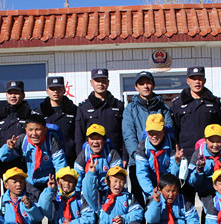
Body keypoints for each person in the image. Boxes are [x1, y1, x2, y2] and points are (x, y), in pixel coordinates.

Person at [122, 71, 173, 199]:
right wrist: (137, 155)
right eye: (141, 83)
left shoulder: (163, 108)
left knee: (163, 199)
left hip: (161, 162)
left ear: (153, 85)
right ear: (136, 87)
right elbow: (129, 134)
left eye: (148, 83)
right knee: (139, 199)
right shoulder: (130, 109)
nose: (145, 86)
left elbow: (169, 131)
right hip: (138, 162)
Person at [0, 113, 67, 196]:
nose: (34, 134)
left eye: (38, 129)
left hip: (49, 182)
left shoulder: (51, 141)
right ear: (26, 130)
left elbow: (60, 165)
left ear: (45, 130)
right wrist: (8, 148)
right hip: (31, 184)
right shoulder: (23, 140)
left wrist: (61, 187)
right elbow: (3, 157)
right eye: (30, 130)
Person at [170, 66, 221, 157]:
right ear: (187, 81)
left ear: (204, 80)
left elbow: (219, 126)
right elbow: (175, 130)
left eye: (200, 78)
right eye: (193, 79)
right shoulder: (178, 104)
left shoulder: (214, 102)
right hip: (186, 153)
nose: (197, 82)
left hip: (209, 152)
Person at [75, 69, 125, 159]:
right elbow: (79, 136)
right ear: (91, 82)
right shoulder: (83, 107)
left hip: (115, 156)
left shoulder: (118, 106)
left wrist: (125, 156)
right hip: (91, 157)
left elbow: (124, 133)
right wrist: (81, 158)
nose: (100, 84)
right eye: (97, 81)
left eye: (103, 81)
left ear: (108, 82)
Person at [134, 114, 181, 200]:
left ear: (164, 131)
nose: (154, 136)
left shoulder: (172, 144)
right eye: (151, 132)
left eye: (157, 132)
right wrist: (151, 193)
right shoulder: (142, 146)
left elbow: (172, 174)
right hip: (150, 184)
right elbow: (142, 173)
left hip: (167, 184)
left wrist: (176, 162)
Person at [187, 124, 221, 201]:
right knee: (211, 207)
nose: (215, 145)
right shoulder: (199, 153)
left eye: (219, 141)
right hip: (206, 192)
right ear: (205, 140)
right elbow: (192, 182)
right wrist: (199, 170)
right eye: (212, 141)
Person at [73, 124, 123, 194]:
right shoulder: (84, 155)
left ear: (104, 140)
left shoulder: (112, 154)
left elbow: (118, 177)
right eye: (92, 139)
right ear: (87, 141)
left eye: (98, 138)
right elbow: (77, 177)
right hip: (89, 192)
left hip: (109, 192)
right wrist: (77, 195)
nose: (95, 142)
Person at [38, 76, 77, 162]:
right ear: (47, 91)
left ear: (64, 90)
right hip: (46, 159)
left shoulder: (74, 110)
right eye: (52, 89)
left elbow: (78, 136)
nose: (55, 91)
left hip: (69, 158)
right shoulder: (39, 113)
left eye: (58, 88)